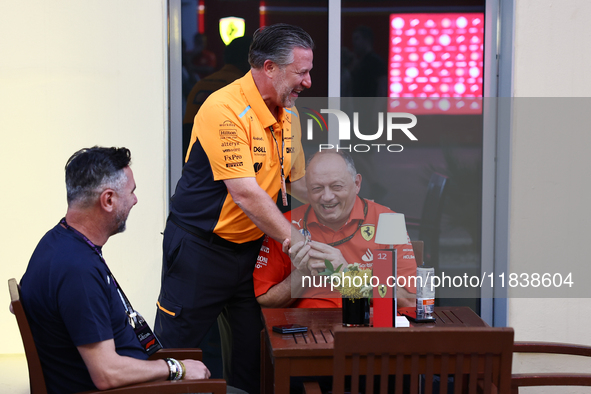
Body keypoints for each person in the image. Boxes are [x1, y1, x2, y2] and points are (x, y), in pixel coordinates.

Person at [155, 23, 314, 394]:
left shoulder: (289, 116)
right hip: (200, 250)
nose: (308, 82)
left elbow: (298, 182)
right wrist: (296, 239)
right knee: (175, 356)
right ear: (269, 67)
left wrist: (348, 199)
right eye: (301, 72)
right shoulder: (223, 107)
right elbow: (245, 192)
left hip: (252, 252)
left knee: (254, 357)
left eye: (309, 72)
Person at [18, 147, 210, 394]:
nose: (135, 200)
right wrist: (176, 369)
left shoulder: (56, 241)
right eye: (131, 192)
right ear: (108, 200)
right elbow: (106, 374)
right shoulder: (77, 271)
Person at [254, 150, 417, 309]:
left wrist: (348, 275)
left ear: (357, 184)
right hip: (308, 329)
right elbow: (266, 300)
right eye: (317, 188)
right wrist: (302, 273)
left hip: (366, 329)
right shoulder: (284, 225)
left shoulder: (388, 220)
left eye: (336, 187)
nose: (327, 197)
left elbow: (410, 302)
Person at [182, 36, 252, 160]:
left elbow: (188, 132)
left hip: (192, 160)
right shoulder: (244, 88)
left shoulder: (200, 85)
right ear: (249, 61)